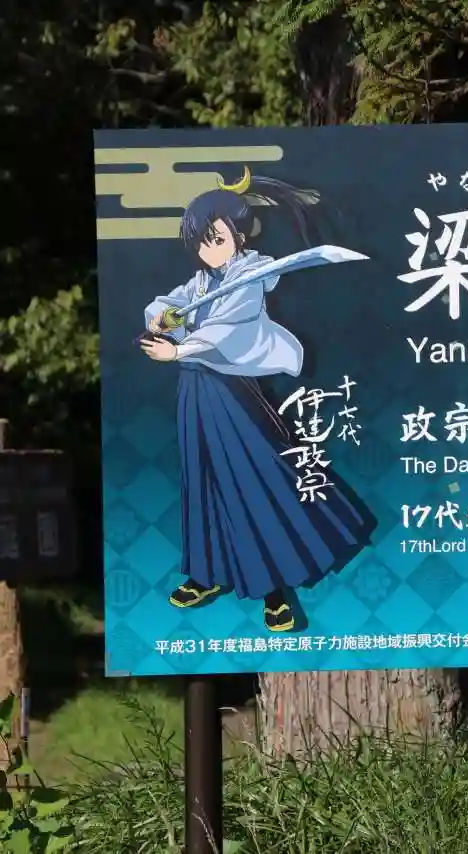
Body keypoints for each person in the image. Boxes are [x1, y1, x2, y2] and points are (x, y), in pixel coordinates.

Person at [138, 167, 374, 632]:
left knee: (253, 478)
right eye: (201, 241)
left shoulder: (249, 278)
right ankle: (206, 573)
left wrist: (178, 350)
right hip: (195, 392)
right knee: (202, 481)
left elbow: (227, 332)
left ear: (239, 236)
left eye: (217, 238)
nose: (208, 248)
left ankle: (274, 590)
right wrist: (163, 318)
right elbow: (168, 303)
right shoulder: (202, 282)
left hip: (231, 394)